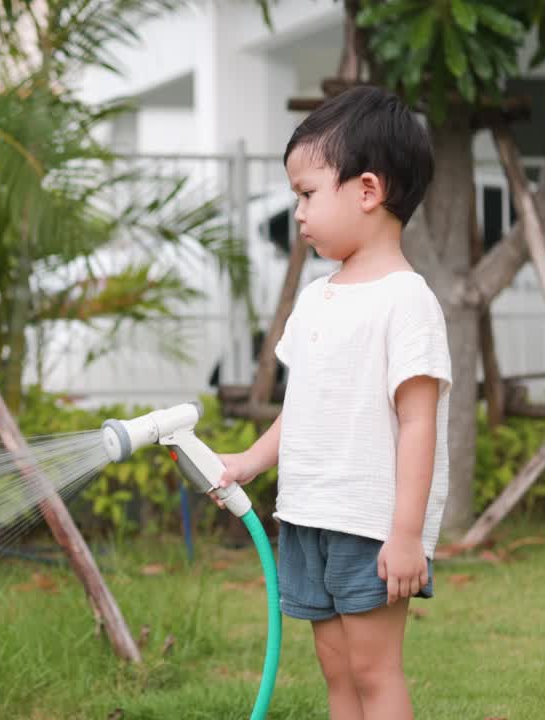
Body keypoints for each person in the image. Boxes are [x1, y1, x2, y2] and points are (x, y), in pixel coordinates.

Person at [217, 86, 452, 720]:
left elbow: (418, 421)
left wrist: (405, 536)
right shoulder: (319, 297)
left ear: (368, 191)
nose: (297, 211)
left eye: (307, 193)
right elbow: (305, 410)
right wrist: (248, 462)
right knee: (337, 671)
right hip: (308, 513)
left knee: (375, 671)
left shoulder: (406, 301)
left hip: (368, 524)